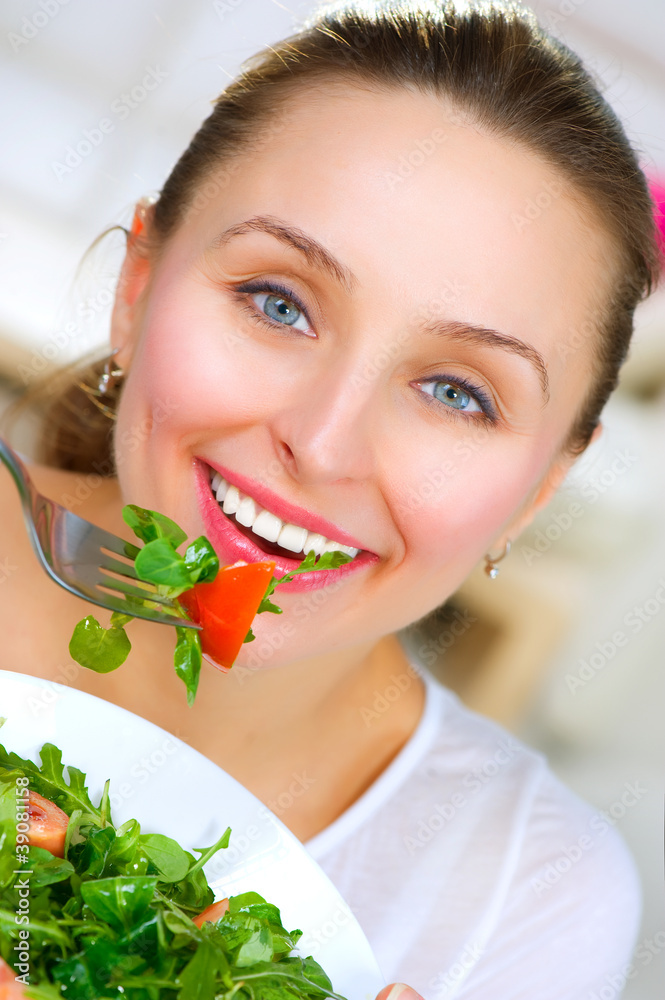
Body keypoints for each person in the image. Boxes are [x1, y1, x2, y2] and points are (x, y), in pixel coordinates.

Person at [0, 1, 660, 997]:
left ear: (538, 490)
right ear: (137, 288)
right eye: (278, 302)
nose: (320, 441)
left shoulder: (527, 899)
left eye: (456, 392)